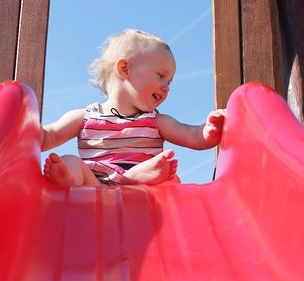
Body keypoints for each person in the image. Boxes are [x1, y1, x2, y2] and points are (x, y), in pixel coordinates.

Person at [42, 29, 225, 187]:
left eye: (169, 82)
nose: (166, 87)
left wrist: (209, 129)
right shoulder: (85, 117)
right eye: (161, 76)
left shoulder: (155, 122)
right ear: (125, 69)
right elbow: (48, 136)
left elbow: (193, 135)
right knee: (70, 161)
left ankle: (133, 178)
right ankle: (68, 179)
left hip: (142, 190)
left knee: (162, 174)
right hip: (95, 186)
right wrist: (29, 127)